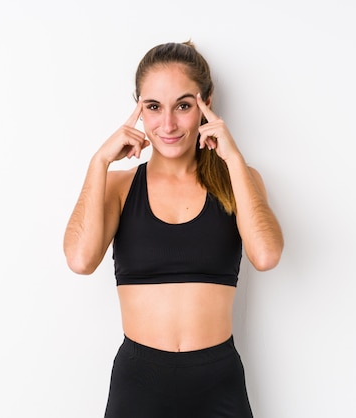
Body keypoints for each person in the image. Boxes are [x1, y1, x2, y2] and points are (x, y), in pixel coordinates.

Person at [63, 40, 284, 418]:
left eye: (183, 105)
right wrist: (98, 162)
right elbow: (81, 261)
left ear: (206, 103)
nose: (167, 124)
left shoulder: (237, 179)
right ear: (138, 109)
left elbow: (266, 255)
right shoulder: (119, 187)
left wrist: (233, 158)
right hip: (139, 382)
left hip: (218, 381)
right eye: (153, 107)